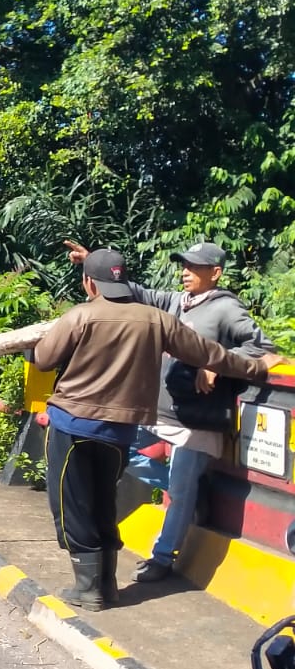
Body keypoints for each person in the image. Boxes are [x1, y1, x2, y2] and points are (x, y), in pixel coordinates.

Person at [30, 248, 281, 610]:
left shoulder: (80, 315)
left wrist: (32, 350)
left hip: (75, 425)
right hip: (120, 430)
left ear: (89, 282)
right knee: (103, 503)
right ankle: (107, 585)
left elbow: (43, 360)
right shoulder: (159, 318)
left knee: (72, 507)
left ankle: (89, 588)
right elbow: (211, 354)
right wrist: (257, 368)